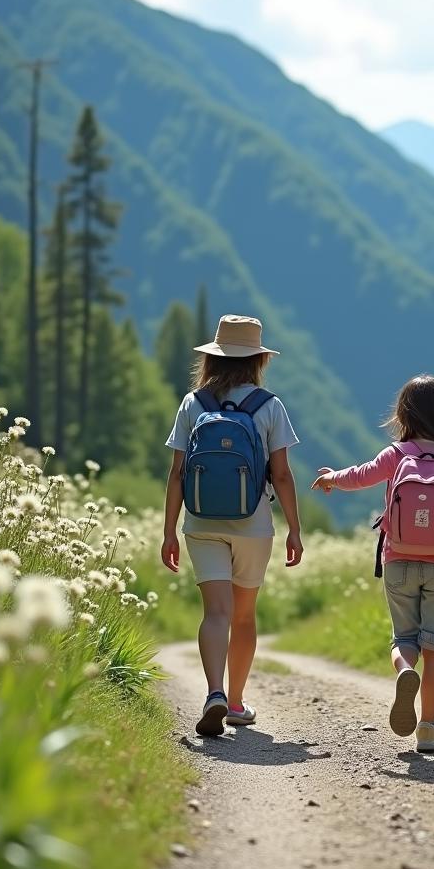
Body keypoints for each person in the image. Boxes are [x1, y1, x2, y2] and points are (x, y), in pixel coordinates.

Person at [312, 375, 434, 752]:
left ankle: (405, 671)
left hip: (398, 561)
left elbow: (360, 476)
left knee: (403, 639)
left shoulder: (397, 454)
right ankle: (427, 728)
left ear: (404, 413)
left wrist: (331, 479)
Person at [161, 315, 303, 736]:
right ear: (258, 359)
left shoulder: (193, 403)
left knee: (215, 612)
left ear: (213, 358)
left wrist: (169, 531)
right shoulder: (269, 406)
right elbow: (281, 474)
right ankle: (237, 702)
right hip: (253, 523)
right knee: (243, 616)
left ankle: (214, 692)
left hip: (200, 521)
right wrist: (295, 528)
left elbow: (176, 473)